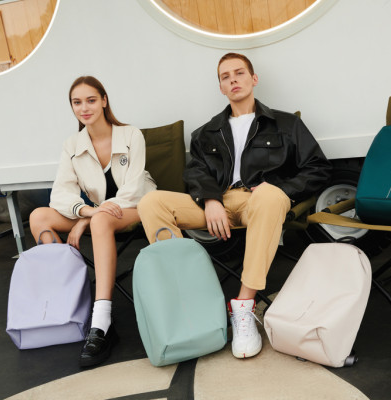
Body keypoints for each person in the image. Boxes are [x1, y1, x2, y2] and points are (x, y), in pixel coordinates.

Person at [137, 53, 332, 359]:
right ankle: (188, 300)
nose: (233, 80)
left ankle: (243, 307)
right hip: (219, 202)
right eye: (225, 77)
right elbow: (196, 173)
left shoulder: (286, 124)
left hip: (262, 201)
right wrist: (211, 199)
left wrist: (280, 188)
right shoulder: (206, 133)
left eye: (239, 73)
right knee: (151, 202)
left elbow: (317, 168)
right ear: (221, 87)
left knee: (269, 197)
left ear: (254, 79)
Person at [29, 76, 156, 367]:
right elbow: (60, 193)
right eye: (77, 102)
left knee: (99, 221)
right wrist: (86, 213)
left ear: (104, 101)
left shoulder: (131, 135)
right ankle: (67, 299)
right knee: (39, 216)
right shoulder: (72, 145)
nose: (84, 108)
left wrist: (89, 219)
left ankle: (101, 322)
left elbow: (133, 189)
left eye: (91, 100)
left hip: (137, 206)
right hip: (99, 214)